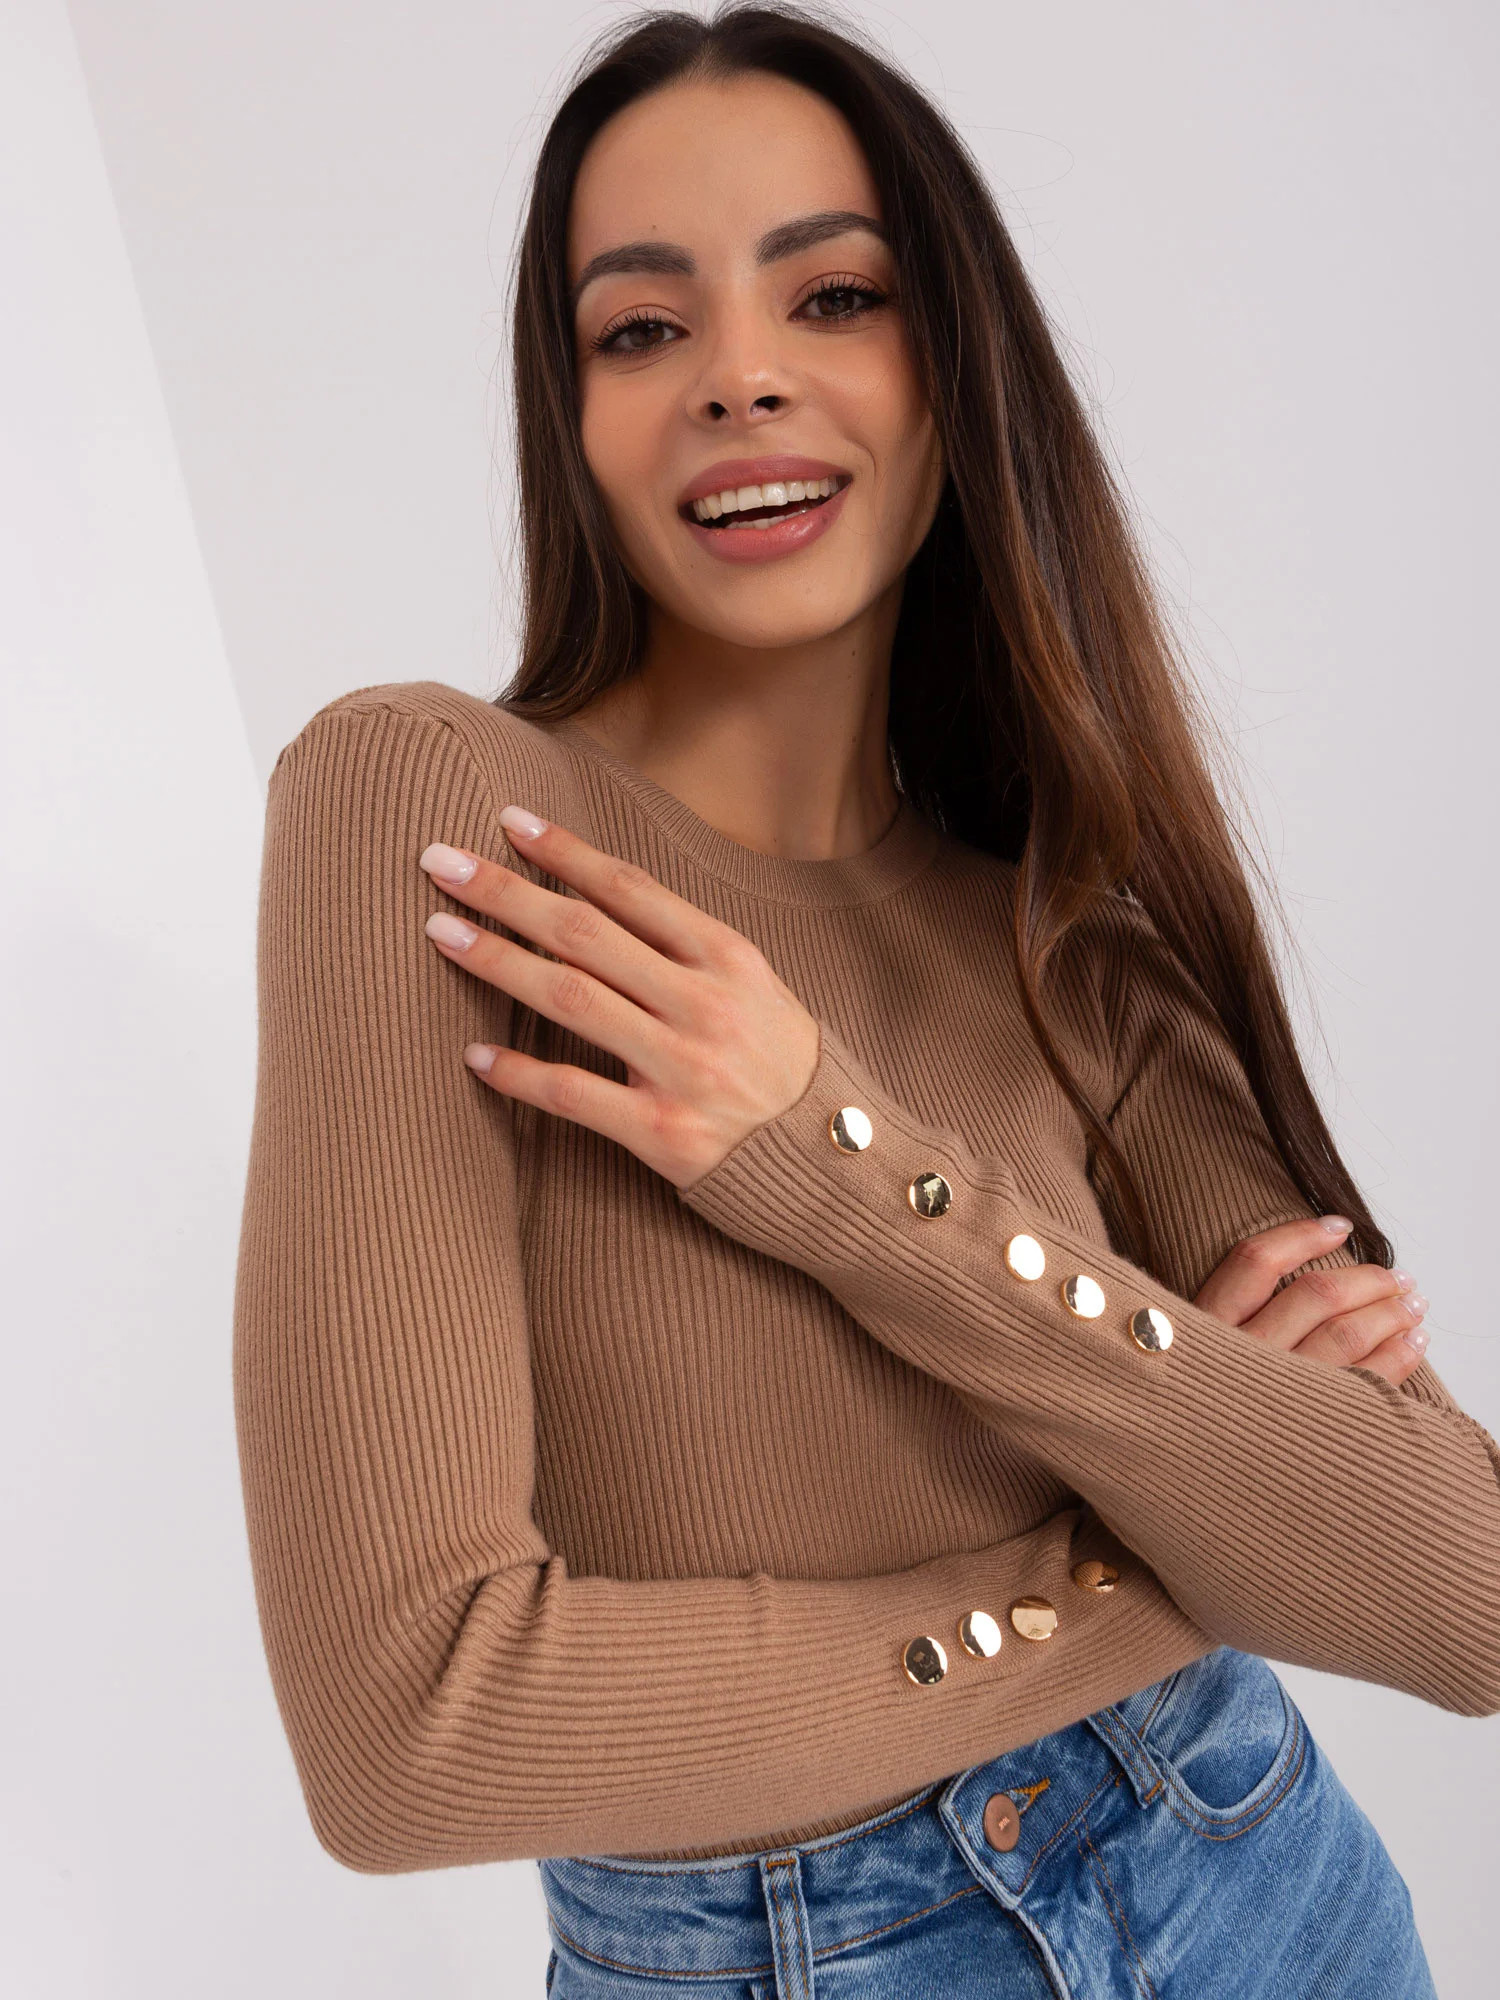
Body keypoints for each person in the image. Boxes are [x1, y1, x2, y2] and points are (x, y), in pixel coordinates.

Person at [232, 5, 1500, 1992]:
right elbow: (413, 1730)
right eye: (641, 327)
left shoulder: (1070, 938)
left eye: (834, 295)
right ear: (574, 417)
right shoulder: (452, 823)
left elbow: (1461, 1590)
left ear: (953, 366)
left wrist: (831, 1154)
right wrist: (1163, 1540)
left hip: (1267, 1889)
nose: (740, 374)